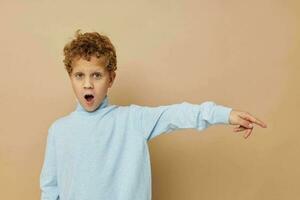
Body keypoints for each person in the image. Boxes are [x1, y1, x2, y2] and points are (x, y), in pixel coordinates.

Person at [39, 29, 267, 200]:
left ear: (111, 79)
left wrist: (226, 114)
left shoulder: (132, 120)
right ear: (70, 77)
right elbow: (50, 188)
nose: (88, 84)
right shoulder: (59, 131)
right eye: (79, 76)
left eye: (96, 75)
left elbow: (177, 114)